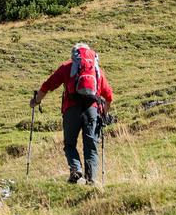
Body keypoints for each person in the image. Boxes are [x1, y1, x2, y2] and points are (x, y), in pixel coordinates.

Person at [30, 43, 113, 185]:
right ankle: (91, 180)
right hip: (92, 110)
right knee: (91, 145)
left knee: (69, 144)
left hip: (71, 109)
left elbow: (47, 85)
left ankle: (76, 170)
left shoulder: (67, 67)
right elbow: (109, 96)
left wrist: (36, 101)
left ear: (74, 55)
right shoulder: (96, 70)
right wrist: (103, 114)